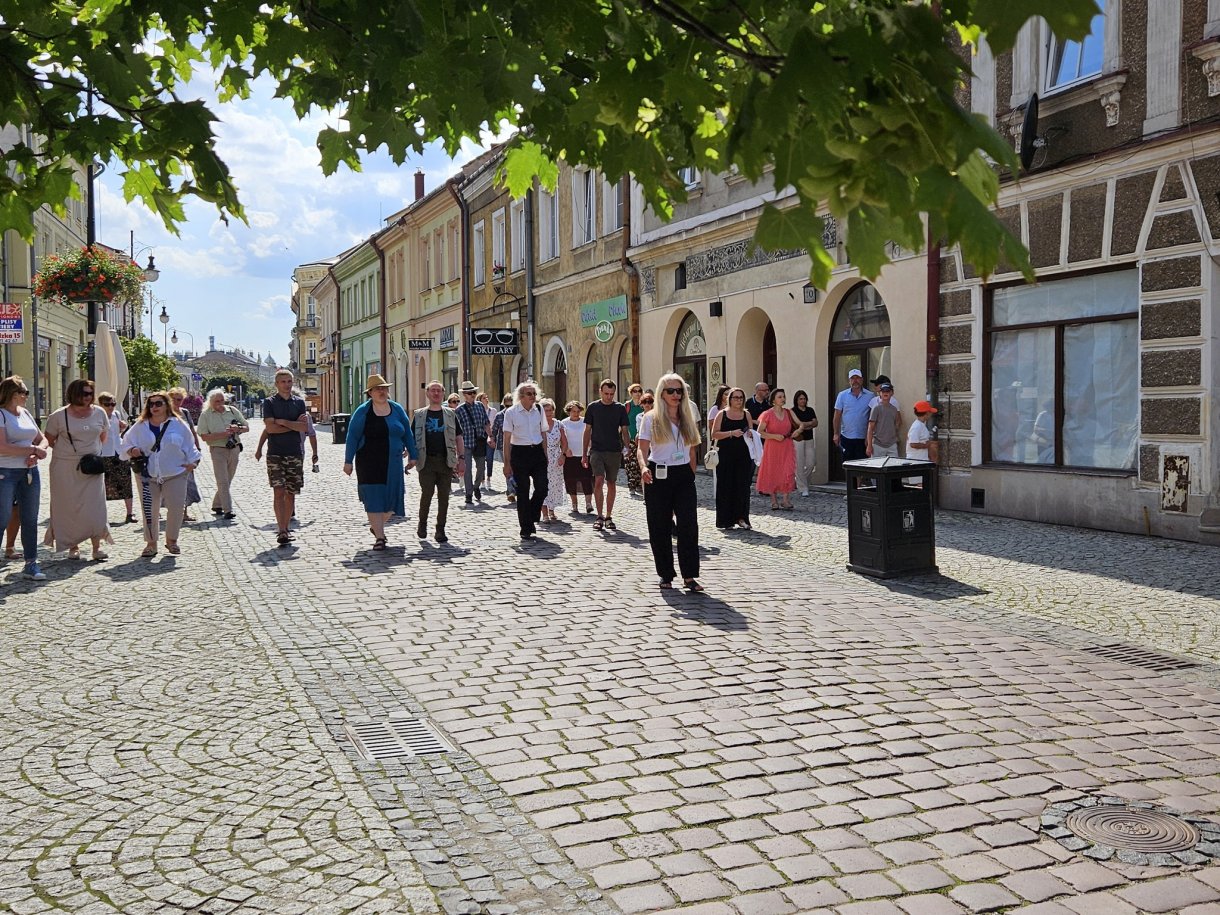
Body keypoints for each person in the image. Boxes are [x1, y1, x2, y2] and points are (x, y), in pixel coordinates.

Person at [638, 373, 703, 591]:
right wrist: (644, 467)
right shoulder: (651, 418)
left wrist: (691, 473)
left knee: (688, 525)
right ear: (662, 394)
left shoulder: (687, 416)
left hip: (683, 475)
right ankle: (665, 574)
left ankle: (690, 575)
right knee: (660, 526)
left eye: (680, 390)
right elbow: (642, 448)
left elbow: (692, 449)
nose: (676, 395)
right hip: (658, 473)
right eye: (671, 391)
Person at [120, 391, 201, 557]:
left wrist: (193, 463)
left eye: (158, 403)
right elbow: (124, 444)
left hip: (175, 472)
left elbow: (190, 446)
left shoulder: (178, 424)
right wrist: (132, 450)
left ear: (167, 405)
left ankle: (172, 540)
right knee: (149, 509)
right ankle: (151, 543)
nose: (154, 407)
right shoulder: (140, 426)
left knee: (176, 507)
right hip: (147, 474)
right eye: (151, 404)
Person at [344, 374, 418, 550]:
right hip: (369, 462)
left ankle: (376, 525)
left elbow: (407, 432)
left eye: (384, 388)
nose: (382, 391)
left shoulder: (397, 409)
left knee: (392, 500)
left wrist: (413, 454)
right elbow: (352, 437)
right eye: (378, 388)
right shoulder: (363, 411)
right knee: (374, 499)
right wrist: (348, 461)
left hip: (393, 463)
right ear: (370, 392)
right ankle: (380, 536)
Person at [42, 378, 113, 561]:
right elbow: (49, 440)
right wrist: (70, 454)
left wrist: (89, 453)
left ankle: (96, 547)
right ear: (74, 394)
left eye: (91, 393)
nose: (88, 397)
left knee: (95, 507)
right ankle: (73, 545)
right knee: (68, 506)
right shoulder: (58, 416)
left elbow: (103, 437)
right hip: (65, 467)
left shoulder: (99, 413)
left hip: (92, 466)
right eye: (84, 393)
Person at [0, 376, 48, 580]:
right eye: (25, 392)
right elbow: (3, 447)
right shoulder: (1, 415)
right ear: (13, 394)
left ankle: (31, 563)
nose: (27, 396)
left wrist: (37, 451)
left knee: (30, 517)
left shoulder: (25, 413)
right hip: (6, 472)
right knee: (2, 518)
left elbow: (42, 438)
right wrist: (31, 450)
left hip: (29, 472)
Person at [260, 369, 309, 546]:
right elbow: (270, 429)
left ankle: (286, 528)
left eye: (289, 381)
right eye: (283, 382)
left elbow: (304, 427)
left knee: (291, 493)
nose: (287, 385)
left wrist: (284, 422)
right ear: (276, 384)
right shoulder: (269, 402)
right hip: (275, 453)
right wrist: (294, 426)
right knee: (278, 490)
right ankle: (281, 529)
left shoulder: (299, 403)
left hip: (294, 452)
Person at [412, 380, 463, 543]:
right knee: (426, 494)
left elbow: (458, 437)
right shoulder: (419, 414)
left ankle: (440, 529)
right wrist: (410, 455)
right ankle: (422, 524)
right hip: (425, 461)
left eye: (439, 391)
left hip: (445, 460)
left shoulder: (450, 414)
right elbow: (412, 437)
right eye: (432, 390)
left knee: (444, 497)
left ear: (443, 394)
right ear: (427, 394)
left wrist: (461, 459)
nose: (436, 393)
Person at [501, 381, 549, 540]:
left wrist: (545, 454)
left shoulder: (539, 410)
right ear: (521, 396)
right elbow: (506, 439)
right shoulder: (511, 412)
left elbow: (543, 434)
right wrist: (506, 463)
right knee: (522, 491)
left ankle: (532, 514)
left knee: (542, 487)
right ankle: (525, 528)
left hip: (537, 452)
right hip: (519, 453)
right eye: (529, 394)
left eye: (535, 394)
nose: (533, 397)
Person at [582, 379, 629, 532]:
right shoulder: (593, 407)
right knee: (598, 480)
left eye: (611, 394)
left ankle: (609, 516)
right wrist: (584, 453)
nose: (609, 397)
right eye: (606, 393)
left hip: (614, 450)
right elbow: (587, 430)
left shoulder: (620, 408)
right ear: (600, 392)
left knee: (611, 482)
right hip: (596, 450)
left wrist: (628, 448)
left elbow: (624, 430)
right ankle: (600, 516)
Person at [196, 388, 249, 519]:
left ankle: (217, 504)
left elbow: (246, 427)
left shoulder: (232, 411)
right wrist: (223, 434)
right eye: (216, 401)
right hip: (217, 450)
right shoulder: (206, 415)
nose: (220, 403)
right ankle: (228, 510)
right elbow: (203, 436)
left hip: (234, 448)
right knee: (222, 480)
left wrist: (238, 429)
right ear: (210, 402)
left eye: (221, 400)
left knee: (228, 479)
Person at [709, 387, 754, 530]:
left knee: (742, 486)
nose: (739, 400)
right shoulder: (722, 414)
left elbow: (751, 432)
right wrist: (731, 433)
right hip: (726, 454)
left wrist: (751, 434)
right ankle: (725, 520)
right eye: (736, 397)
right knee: (725, 486)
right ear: (730, 399)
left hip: (743, 455)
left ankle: (742, 517)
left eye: (741, 397)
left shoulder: (746, 414)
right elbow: (714, 434)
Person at [756, 388, 798, 510]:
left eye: (783, 396)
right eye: (779, 397)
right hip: (772, 446)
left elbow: (800, 424)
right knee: (772, 471)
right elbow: (760, 432)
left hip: (787, 444)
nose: (782, 399)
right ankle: (774, 500)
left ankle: (785, 499)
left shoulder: (788, 412)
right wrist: (774, 436)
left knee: (788, 470)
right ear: (773, 400)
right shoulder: (767, 414)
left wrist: (798, 431)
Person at [97, 391, 135, 523]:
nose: (111, 407)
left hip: (119, 452)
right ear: (100, 404)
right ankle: (100, 515)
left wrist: (122, 428)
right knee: (102, 485)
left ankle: (130, 513)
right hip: (103, 453)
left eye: (113, 404)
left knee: (125, 481)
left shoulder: (116, 414)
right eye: (107, 404)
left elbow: (117, 433)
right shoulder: (96, 417)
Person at [169, 387, 203, 522]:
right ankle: (170, 510)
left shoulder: (185, 412)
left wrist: (197, 446)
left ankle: (184, 512)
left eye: (180, 399)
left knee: (187, 482)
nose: (178, 402)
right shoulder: (166, 414)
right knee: (170, 481)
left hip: (186, 452)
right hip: (171, 452)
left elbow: (192, 431)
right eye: (176, 399)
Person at [455, 381, 490, 504]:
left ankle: (476, 486)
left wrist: (490, 437)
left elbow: (486, 422)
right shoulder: (459, 410)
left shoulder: (480, 406)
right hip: (466, 443)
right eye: (470, 393)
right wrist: (456, 448)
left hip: (479, 441)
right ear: (464, 394)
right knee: (467, 469)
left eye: (474, 392)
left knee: (481, 468)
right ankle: (469, 493)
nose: (473, 395)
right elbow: (456, 430)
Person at [559, 400, 594, 514]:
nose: (576, 413)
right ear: (569, 411)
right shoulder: (564, 423)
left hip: (584, 454)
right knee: (570, 480)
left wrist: (590, 446)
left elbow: (590, 435)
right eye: (573, 411)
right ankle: (574, 504)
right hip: (570, 455)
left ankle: (588, 503)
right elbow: (561, 438)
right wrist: (565, 450)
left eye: (578, 411)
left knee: (587, 479)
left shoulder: (585, 422)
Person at [833, 368, 871, 461]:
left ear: (862, 380)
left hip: (863, 438)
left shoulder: (870, 396)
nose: (855, 381)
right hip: (847, 437)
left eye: (857, 378)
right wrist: (836, 434)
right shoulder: (842, 395)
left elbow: (872, 417)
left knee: (862, 467)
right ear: (849, 381)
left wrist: (869, 438)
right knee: (847, 466)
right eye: (852, 378)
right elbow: (837, 416)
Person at [540, 398, 565, 523]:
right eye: (545, 411)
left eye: (550, 410)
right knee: (542, 485)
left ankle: (552, 510)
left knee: (554, 486)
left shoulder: (559, 424)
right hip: (542, 458)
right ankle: (544, 513)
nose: (548, 413)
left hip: (555, 458)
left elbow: (565, 443)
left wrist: (562, 455)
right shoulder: (538, 425)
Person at [791, 390, 818, 497]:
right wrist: (808, 424)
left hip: (809, 439)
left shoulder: (810, 410)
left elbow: (815, 423)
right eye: (800, 399)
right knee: (799, 463)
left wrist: (804, 425)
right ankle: (803, 488)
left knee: (811, 463)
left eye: (804, 398)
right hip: (798, 439)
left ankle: (800, 481)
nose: (803, 401)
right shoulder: (793, 411)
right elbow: (798, 424)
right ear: (796, 400)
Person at [866, 382, 903, 458]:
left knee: (893, 467)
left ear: (892, 393)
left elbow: (896, 424)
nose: (885, 393)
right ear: (880, 393)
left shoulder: (894, 409)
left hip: (892, 444)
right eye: (883, 391)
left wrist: (895, 437)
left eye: (888, 391)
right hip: (877, 444)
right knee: (877, 467)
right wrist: (869, 445)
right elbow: (870, 427)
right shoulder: (876, 408)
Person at [490, 393, 515, 502]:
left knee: (516, 467)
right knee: (508, 467)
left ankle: (514, 487)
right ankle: (511, 490)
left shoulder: (518, 415)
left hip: (517, 445)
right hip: (502, 445)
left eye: (511, 405)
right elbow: (494, 430)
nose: (509, 408)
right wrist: (492, 439)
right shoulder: (499, 416)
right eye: (507, 406)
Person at [623, 383, 646, 495]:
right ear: (631, 393)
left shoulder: (644, 405)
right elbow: (622, 424)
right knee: (630, 463)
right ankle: (632, 485)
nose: (637, 393)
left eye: (639, 391)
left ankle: (639, 486)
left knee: (640, 462)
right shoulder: (627, 406)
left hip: (643, 439)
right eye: (635, 391)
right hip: (630, 438)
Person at [478, 391, 498, 489]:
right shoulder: (478, 411)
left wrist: (493, 436)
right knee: (481, 460)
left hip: (490, 437)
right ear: (479, 400)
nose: (486, 399)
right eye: (483, 398)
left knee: (489, 459)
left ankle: (489, 478)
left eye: (486, 397)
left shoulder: (493, 411)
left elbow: (495, 425)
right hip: (480, 438)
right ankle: (482, 481)